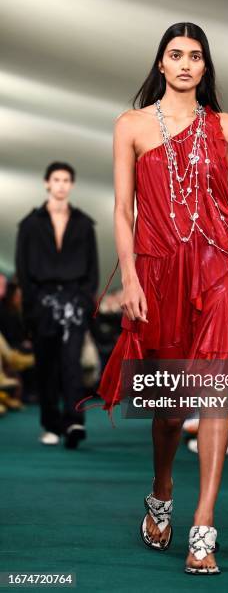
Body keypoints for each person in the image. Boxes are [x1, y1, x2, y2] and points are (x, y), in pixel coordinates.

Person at [91, 22, 228, 575]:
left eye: (195, 55)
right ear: (161, 64)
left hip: (219, 269)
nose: (186, 63)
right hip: (161, 274)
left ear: (205, 67)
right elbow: (123, 210)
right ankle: (161, 490)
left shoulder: (227, 126)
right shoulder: (132, 126)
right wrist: (132, 279)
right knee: (168, 412)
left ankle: (203, 526)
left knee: (215, 396)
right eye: (176, 54)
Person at [15, 161, 99, 449]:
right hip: (42, 300)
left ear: (71, 185)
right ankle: (51, 424)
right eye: (56, 179)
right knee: (47, 366)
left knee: (72, 364)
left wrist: (86, 300)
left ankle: (74, 421)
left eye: (66, 180)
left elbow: (93, 267)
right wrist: (31, 309)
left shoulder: (84, 223)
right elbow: (22, 268)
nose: (61, 184)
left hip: (75, 299)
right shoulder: (30, 224)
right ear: (47, 183)